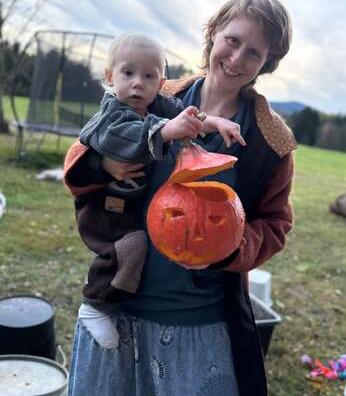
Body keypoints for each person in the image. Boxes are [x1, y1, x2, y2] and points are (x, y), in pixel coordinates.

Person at [64, 0, 297, 396]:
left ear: (267, 63)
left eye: (254, 53)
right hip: (118, 305)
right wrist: (104, 167)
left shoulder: (271, 140)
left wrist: (231, 247)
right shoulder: (152, 90)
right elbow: (81, 154)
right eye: (233, 40)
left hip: (199, 319)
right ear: (214, 34)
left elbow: (276, 225)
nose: (238, 58)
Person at [73, 32, 246, 350]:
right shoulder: (111, 112)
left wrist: (214, 122)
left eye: (149, 76)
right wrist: (165, 131)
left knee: (133, 245)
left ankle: (107, 302)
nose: (138, 83)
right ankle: (95, 305)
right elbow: (115, 139)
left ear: (161, 81)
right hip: (105, 208)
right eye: (128, 73)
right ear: (110, 77)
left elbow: (187, 118)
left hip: (131, 204)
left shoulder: (160, 104)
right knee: (129, 246)